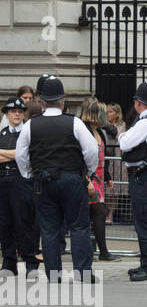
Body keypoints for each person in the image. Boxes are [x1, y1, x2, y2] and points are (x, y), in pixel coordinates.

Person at [14, 78, 99, 281]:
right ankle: (83, 273)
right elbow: (91, 150)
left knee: (49, 228)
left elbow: (20, 155)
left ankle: (53, 274)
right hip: (72, 179)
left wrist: (28, 174)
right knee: (79, 227)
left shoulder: (31, 125)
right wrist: (88, 171)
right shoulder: (75, 123)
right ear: (62, 101)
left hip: (43, 181)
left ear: (42, 101)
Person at [116, 82, 147, 282]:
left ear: (138, 103)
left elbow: (125, 143)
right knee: (143, 220)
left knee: (145, 221)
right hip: (146, 174)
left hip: (145, 175)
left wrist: (122, 135)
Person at [0, 96, 40, 274]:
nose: (17, 114)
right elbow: (18, 155)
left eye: (20, 111)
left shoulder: (28, 132)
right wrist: (15, 154)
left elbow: (25, 156)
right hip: (3, 181)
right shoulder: (2, 133)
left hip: (21, 181)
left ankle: (30, 262)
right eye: (13, 111)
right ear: (6, 114)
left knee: (24, 222)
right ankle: (9, 263)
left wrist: (5, 153)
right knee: (5, 223)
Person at [79, 97, 119, 262]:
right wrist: (86, 180)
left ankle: (95, 248)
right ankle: (103, 251)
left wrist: (108, 175)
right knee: (99, 212)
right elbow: (81, 157)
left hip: (100, 177)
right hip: (90, 178)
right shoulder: (85, 130)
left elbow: (104, 157)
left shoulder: (100, 131)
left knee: (95, 213)